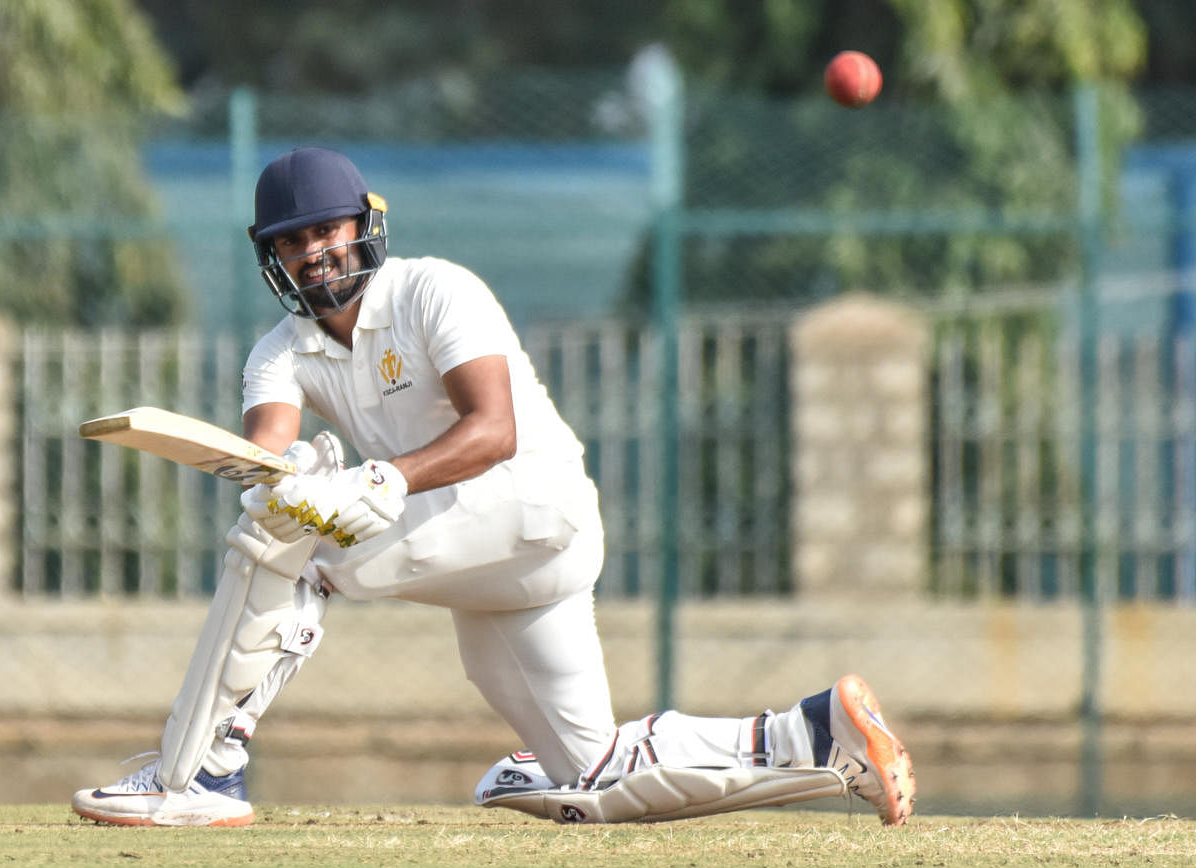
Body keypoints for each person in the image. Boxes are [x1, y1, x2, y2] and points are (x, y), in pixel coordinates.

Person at [71, 147, 915, 828]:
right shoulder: (280, 350)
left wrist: (373, 480)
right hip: (485, 568)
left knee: (297, 554)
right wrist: (288, 480)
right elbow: (268, 446)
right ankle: (813, 732)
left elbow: (494, 430)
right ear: (272, 256)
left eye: (327, 229)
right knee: (592, 776)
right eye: (292, 241)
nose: (314, 252)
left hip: (529, 509)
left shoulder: (435, 289)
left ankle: (199, 772)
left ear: (365, 226)